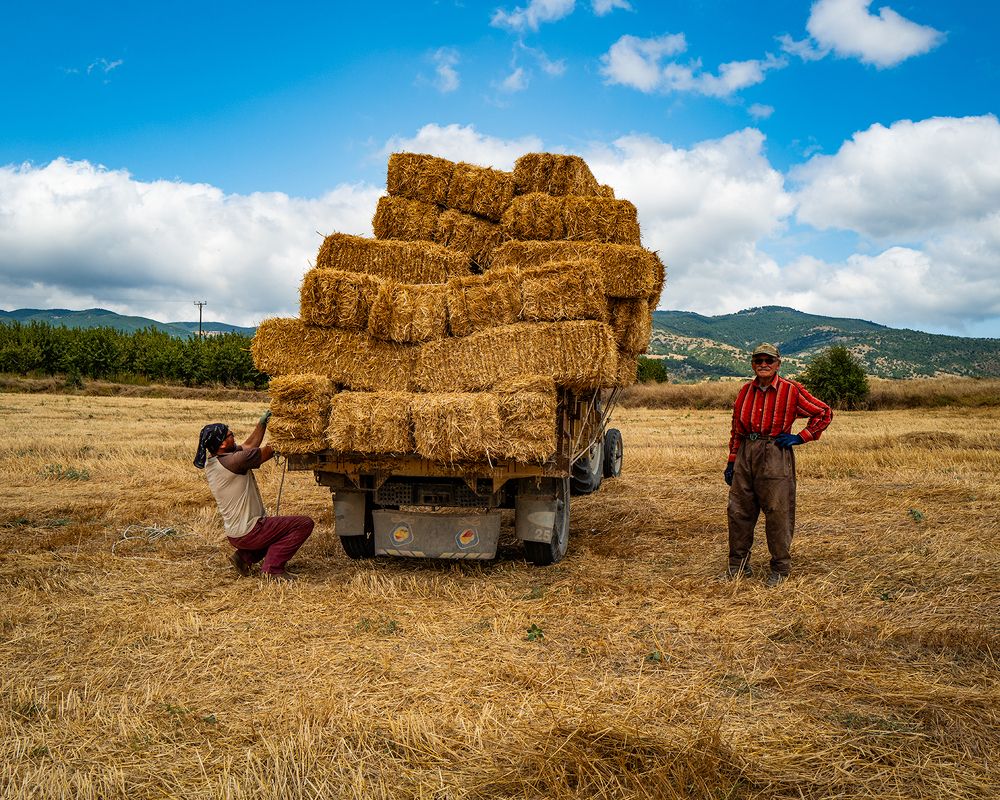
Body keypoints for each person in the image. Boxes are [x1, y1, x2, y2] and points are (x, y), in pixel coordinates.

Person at [724, 343, 832, 587]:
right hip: (745, 452)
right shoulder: (744, 391)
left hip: (775, 451)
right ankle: (737, 567)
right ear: (752, 364)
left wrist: (801, 437)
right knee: (738, 511)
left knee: (777, 511)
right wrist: (732, 462)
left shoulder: (791, 390)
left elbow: (823, 412)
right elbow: (736, 429)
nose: (763, 364)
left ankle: (780, 569)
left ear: (778, 364)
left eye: (768, 360)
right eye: (758, 360)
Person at [194, 411, 314, 581]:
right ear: (222, 444)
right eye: (230, 435)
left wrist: (262, 423)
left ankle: (243, 558)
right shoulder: (235, 461)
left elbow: (249, 445)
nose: (233, 437)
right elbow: (269, 451)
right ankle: (273, 569)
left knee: (273, 530)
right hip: (251, 532)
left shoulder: (215, 461)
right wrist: (287, 428)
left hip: (235, 533)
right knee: (303, 524)